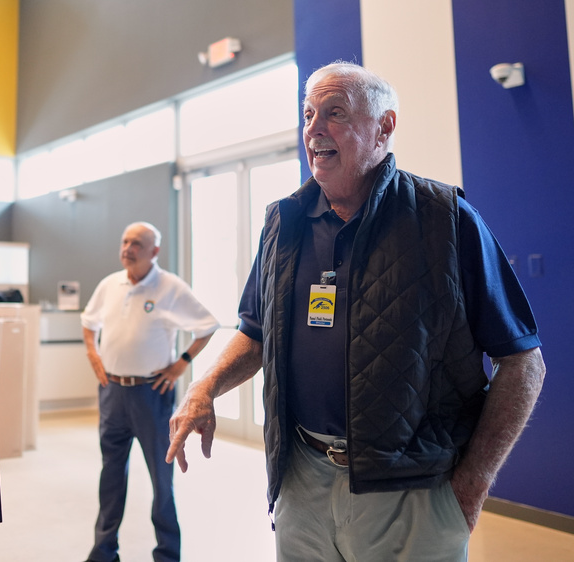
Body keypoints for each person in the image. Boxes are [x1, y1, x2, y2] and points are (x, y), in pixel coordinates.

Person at [167, 62, 546, 561]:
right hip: (302, 480)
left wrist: (471, 485)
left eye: (335, 113)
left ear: (384, 127)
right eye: (308, 114)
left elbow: (523, 363)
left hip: (412, 489)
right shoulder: (285, 223)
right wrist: (204, 386)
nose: (314, 129)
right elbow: (256, 333)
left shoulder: (445, 220)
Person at [82, 222, 218, 562]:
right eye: (125, 240)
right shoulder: (109, 284)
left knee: (162, 478)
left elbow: (207, 326)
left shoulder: (170, 287)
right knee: (110, 475)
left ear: (153, 251)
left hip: (151, 396)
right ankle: (103, 552)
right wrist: (93, 354)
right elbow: (88, 322)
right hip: (112, 393)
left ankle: (167, 554)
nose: (128, 247)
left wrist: (181, 363)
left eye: (137, 243)